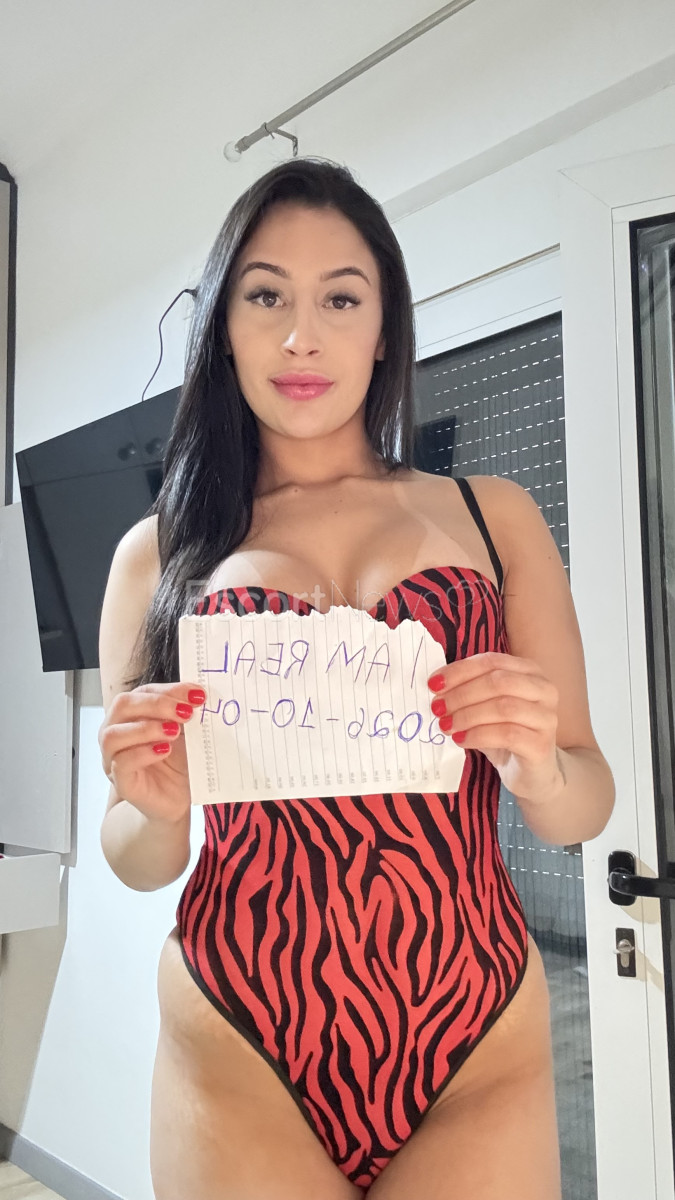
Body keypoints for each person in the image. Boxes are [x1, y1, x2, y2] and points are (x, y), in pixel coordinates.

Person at [97, 157, 615, 1200]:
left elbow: (583, 804)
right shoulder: (157, 553)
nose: (302, 336)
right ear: (224, 326)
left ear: (384, 330)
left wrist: (538, 766)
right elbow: (138, 858)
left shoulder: (492, 516)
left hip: (474, 1026)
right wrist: (151, 807)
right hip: (239, 1031)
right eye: (266, 297)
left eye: (340, 298)